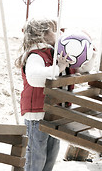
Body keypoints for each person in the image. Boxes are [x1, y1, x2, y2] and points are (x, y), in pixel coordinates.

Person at [15, 18, 96, 171]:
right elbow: (35, 78)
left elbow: (81, 70)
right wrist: (58, 67)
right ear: (42, 34)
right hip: (37, 115)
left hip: (56, 114)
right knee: (36, 157)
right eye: (54, 30)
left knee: (51, 156)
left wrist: (89, 56)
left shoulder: (58, 54)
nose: (60, 33)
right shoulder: (36, 55)